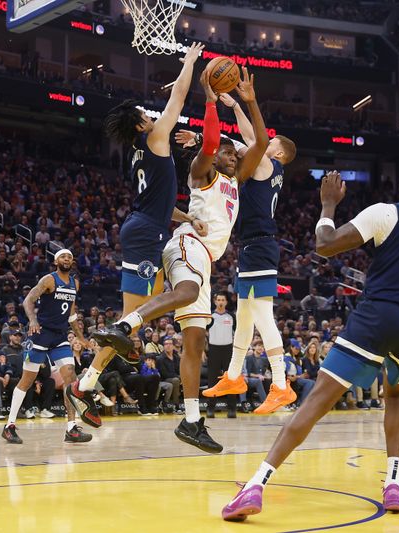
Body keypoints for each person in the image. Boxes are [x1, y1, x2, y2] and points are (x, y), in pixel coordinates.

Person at [222, 147, 399, 520]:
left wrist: (327, 205)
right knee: (396, 392)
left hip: (380, 315)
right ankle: (394, 483)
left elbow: (325, 246)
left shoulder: (386, 213)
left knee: (317, 399)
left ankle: (256, 485)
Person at [92, 66, 268, 453]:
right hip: (187, 244)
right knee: (186, 290)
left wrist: (250, 103)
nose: (229, 151)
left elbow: (259, 144)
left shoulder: (237, 179)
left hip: (206, 258)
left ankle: (191, 421)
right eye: (224, 148)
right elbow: (208, 143)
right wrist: (208, 101)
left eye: (230, 149)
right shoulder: (200, 171)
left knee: (195, 340)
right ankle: (126, 324)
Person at [70, 43, 207, 422]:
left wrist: (185, 219)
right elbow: (177, 98)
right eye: (146, 115)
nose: (153, 116)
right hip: (145, 233)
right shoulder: (154, 137)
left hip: (145, 226)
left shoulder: (136, 152)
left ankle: (85, 385)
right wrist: (190, 64)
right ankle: (87, 382)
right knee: (138, 316)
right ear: (140, 124)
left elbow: (158, 203)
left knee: (132, 320)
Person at [195, 92, 298, 415]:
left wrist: (216, 125)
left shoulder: (269, 162)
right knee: (245, 316)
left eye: (270, 143)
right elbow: (251, 138)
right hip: (254, 245)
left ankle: (281, 384)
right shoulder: (267, 166)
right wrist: (237, 107)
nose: (263, 145)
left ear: (277, 149)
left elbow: (250, 140)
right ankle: (235, 375)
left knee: (262, 316)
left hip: (261, 244)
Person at [3, 249, 92, 444]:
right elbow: (28, 300)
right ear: (55, 261)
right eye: (63, 256)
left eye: (69, 256)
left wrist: (81, 338)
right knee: (27, 380)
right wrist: (33, 320)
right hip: (41, 334)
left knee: (70, 375)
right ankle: (9, 426)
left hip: (60, 336)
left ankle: (71, 428)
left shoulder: (74, 283)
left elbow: (72, 314)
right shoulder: (49, 280)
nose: (67, 259)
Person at [205, 293, 237, 418]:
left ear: (226, 302)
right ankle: (210, 408)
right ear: (215, 302)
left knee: (230, 379)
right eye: (218, 300)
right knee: (212, 380)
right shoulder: (210, 317)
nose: (221, 302)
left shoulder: (231, 316)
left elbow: (237, 332)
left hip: (228, 350)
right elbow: (203, 332)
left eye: (223, 300)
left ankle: (232, 409)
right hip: (214, 350)